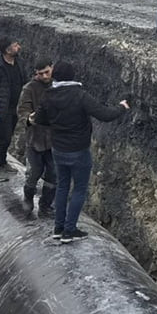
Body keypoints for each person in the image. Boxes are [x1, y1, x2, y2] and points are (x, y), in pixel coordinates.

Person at [33, 61, 129, 243]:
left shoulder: (48, 95)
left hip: (58, 150)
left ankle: (58, 228)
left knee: (62, 186)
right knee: (79, 189)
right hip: (78, 150)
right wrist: (122, 107)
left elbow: (40, 119)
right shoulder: (79, 95)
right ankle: (70, 231)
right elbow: (105, 115)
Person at [16, 59, 56, 215]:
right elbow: (22, 110)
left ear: (52, 68)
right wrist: (29, 118)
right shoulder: (29, 89)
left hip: (54, 141)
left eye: (47, 72)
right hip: (35, 139)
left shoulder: (57, 86)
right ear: (36, 73)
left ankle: (45, 205)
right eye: (41, 73)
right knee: (34, 172)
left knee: (53, 173)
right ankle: (28, 198)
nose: (45, 76)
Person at [0, 37, 26, 181]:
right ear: (8, 50)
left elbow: (24, 81)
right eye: (15, 45)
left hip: (14, 108)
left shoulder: (18, 62)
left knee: (8, 137)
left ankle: (3, 162)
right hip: (0, 109)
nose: (18, 47)